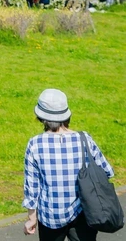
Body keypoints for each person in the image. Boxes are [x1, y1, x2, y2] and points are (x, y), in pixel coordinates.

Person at [22, 88, 114, 240]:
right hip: (84, 212)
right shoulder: (84, 139)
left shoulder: (35, 144)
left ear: (40, 117)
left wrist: (32, 218)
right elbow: (107, 171)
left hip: (50, 215)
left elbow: (32, 187)